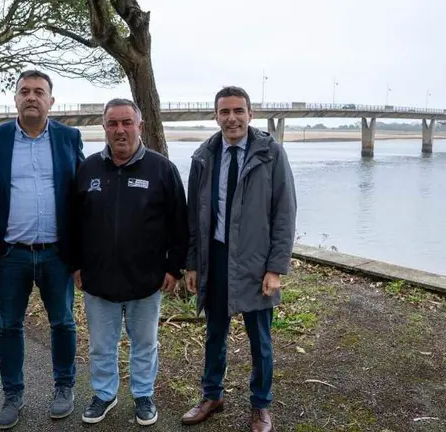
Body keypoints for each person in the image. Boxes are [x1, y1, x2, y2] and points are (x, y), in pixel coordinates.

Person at [181, 86, 297, 432]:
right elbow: (193, 216)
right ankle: (211, 395)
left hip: (256, 261)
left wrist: (276, 267)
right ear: (215, 115)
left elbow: (284, 212)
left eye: (238, 111)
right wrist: (192, 263)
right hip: (214, 257)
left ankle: (260, 405)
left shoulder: (271, 154)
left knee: (260, 339)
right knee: (214, 332)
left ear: (250, 114)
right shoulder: (204, 156)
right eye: (224, 112)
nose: (232, 118)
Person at [0, 70, 84, 429]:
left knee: (64, 323)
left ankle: (64, 388)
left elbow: (81, 196)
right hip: (11, 254)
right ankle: (12, 395)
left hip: (56, 252)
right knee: (8, 326)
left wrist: (81, 251)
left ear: (51, 100)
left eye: (40, 92)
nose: (32, 97)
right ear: (16, 99)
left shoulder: (69, 137)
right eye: (25, 91)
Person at [72, 98, 188, 426]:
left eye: (126, 122)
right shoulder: (88, 169)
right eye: (112, 123)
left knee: (145, 344)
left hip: (147, 279)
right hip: (98, 279)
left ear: (140, 126)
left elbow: (180, 223)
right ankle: (104, 395)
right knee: (101, 346)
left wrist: (173, 267)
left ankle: (143, 395)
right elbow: (73, 222)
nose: (120, 130)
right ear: (105, 128)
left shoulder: (161, 169)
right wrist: (75, 264)